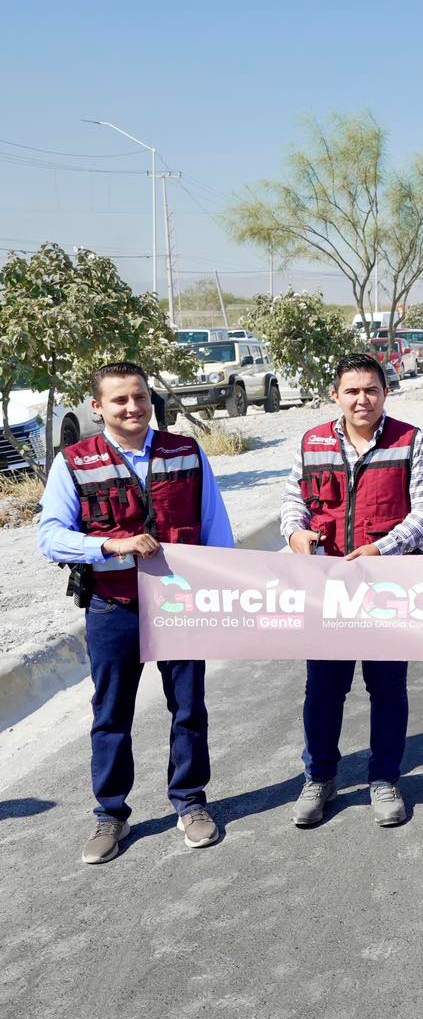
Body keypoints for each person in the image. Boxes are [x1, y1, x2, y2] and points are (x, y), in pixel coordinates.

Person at [37, 361, 235, 865]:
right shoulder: (74, 462)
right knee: (111, 715)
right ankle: (111, 813)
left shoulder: (186, 451)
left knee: (188, 708)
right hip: (114, 605)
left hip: (180, 604)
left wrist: (226, 596)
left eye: (140, 397)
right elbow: (50, 535)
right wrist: (110, 545)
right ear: (97, 407)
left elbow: (216, 529)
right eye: (120, 400)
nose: (133, 408)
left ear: (151, 400)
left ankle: (190, 803)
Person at [281, 353, 423, 828]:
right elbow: (294, 499)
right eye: (351, 391)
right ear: (335, 395)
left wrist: (385, 548)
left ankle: (385, 779)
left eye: (371, 390)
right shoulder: (311, 443)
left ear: (385, 393)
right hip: (328, 587)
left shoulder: (412, 441)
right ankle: (320, 777)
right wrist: (295, 533)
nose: (362, 399)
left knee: (387, 686)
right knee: (324, 688)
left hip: (390, 585)